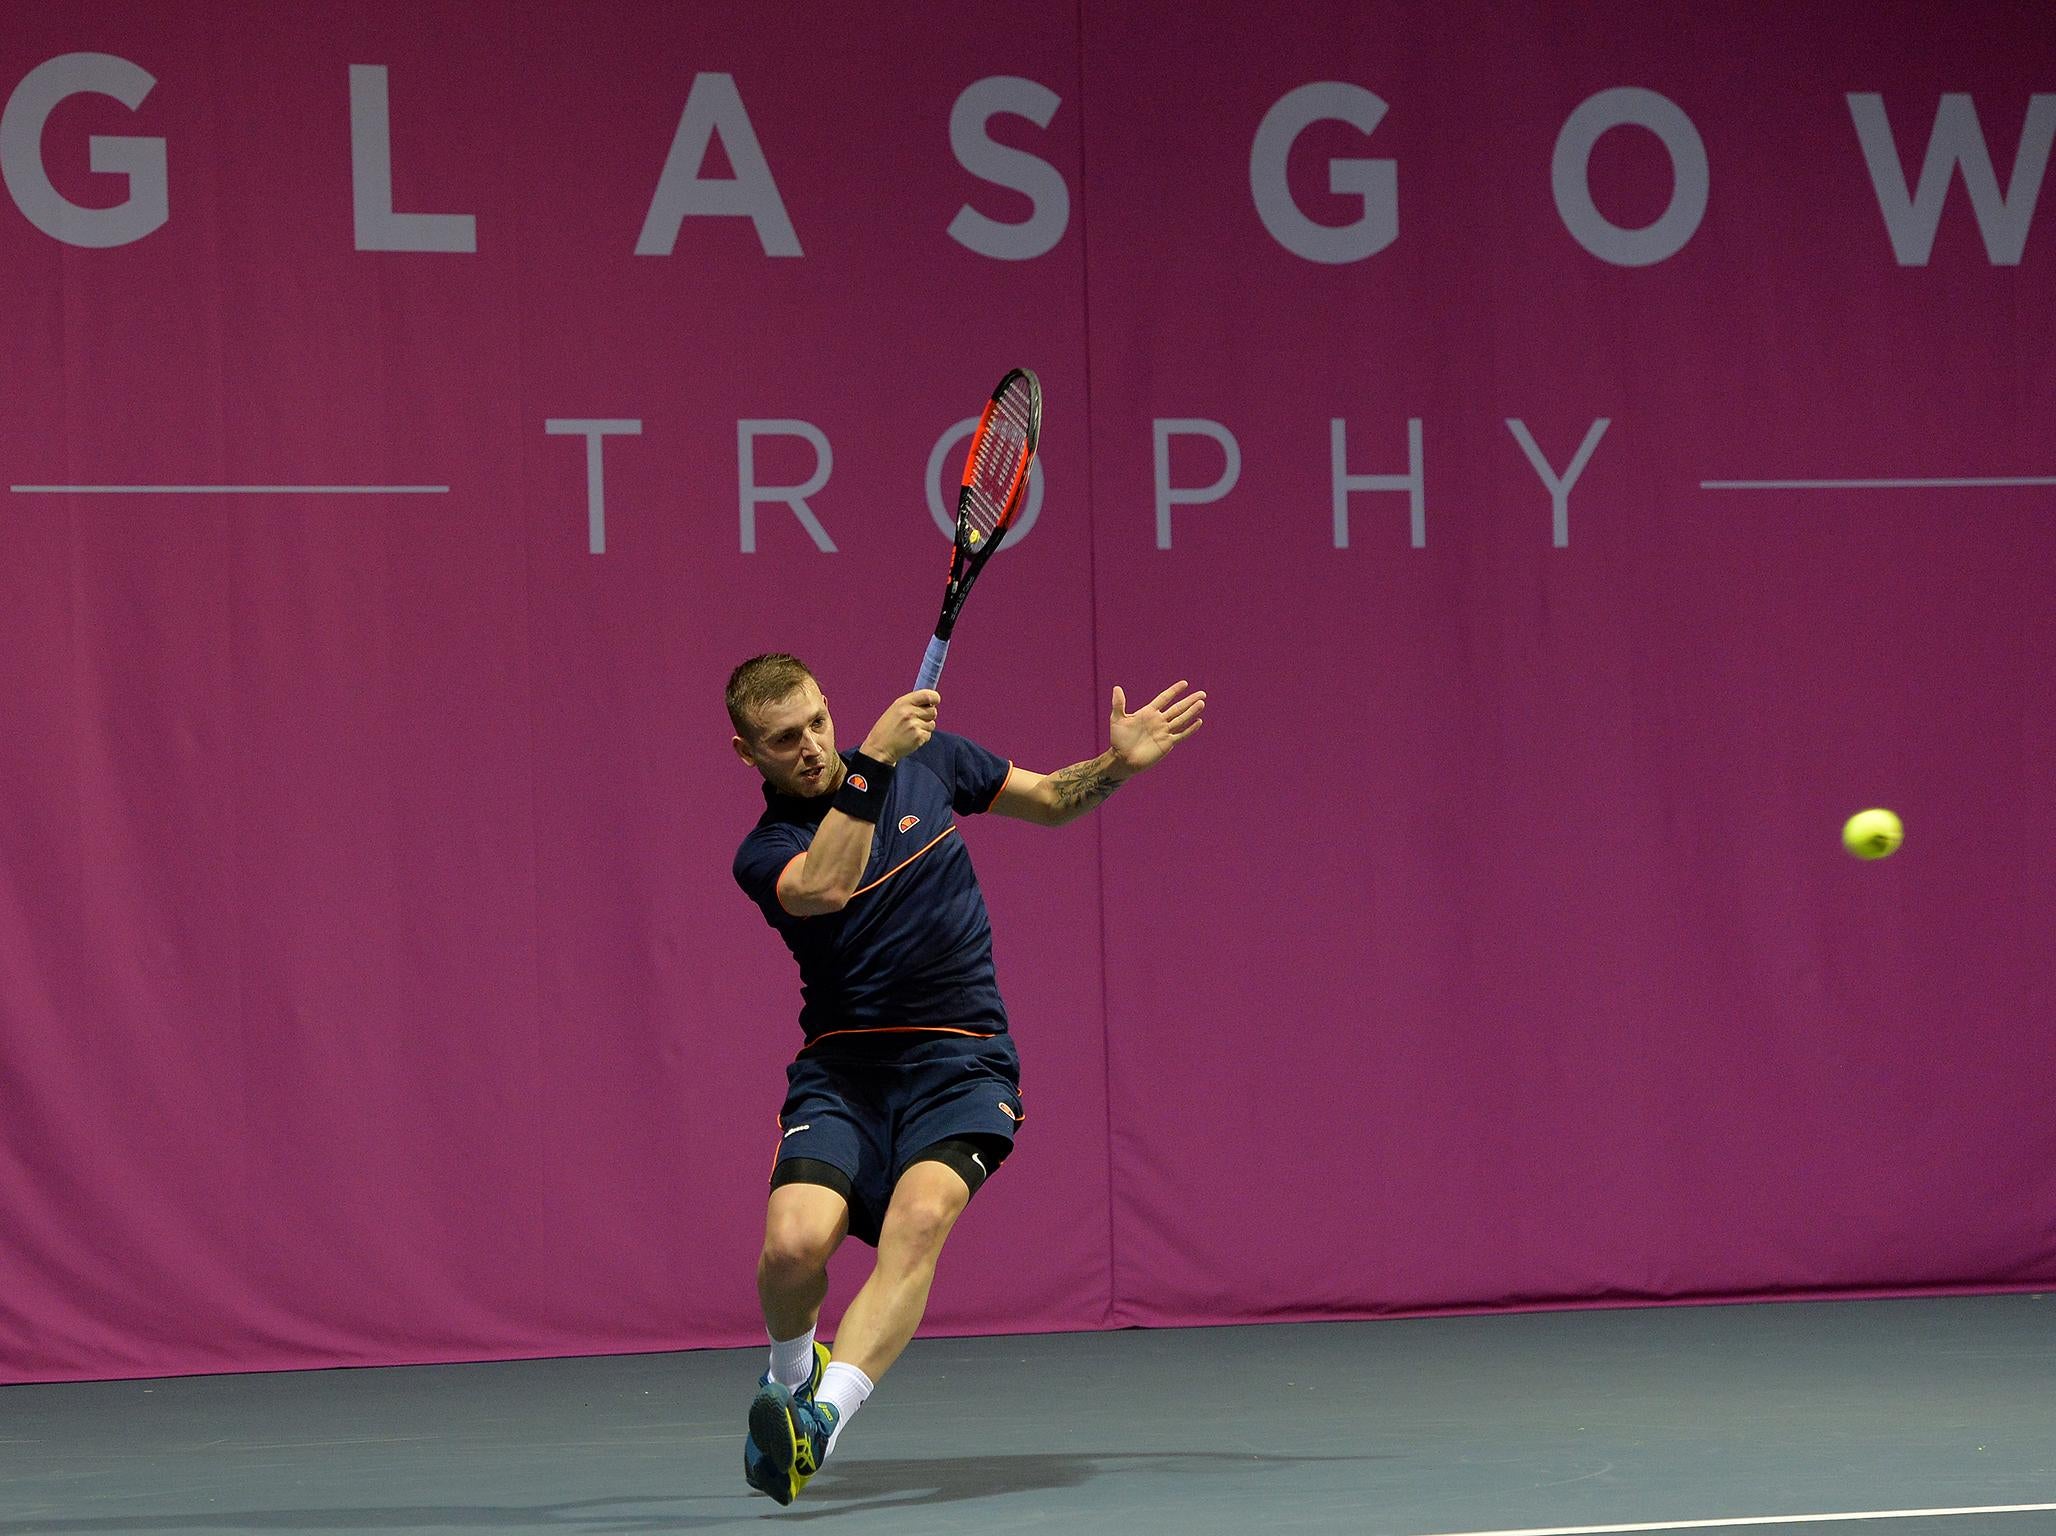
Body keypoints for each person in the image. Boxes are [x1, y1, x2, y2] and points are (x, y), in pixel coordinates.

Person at [725, 652, 1205, 1505]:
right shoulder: (767, 851)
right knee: (793, 1247)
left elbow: (1055, 798)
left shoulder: (933, 761)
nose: (808, 746)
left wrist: (1116, 768)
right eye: (782, 740)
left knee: (921, 1217)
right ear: (747, 754)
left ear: (830, 707)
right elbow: (829, 885)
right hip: (845, 1072)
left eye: (816, 724)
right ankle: (790, 1376)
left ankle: (818, 1425)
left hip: (963, 1060)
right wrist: (870, 760)